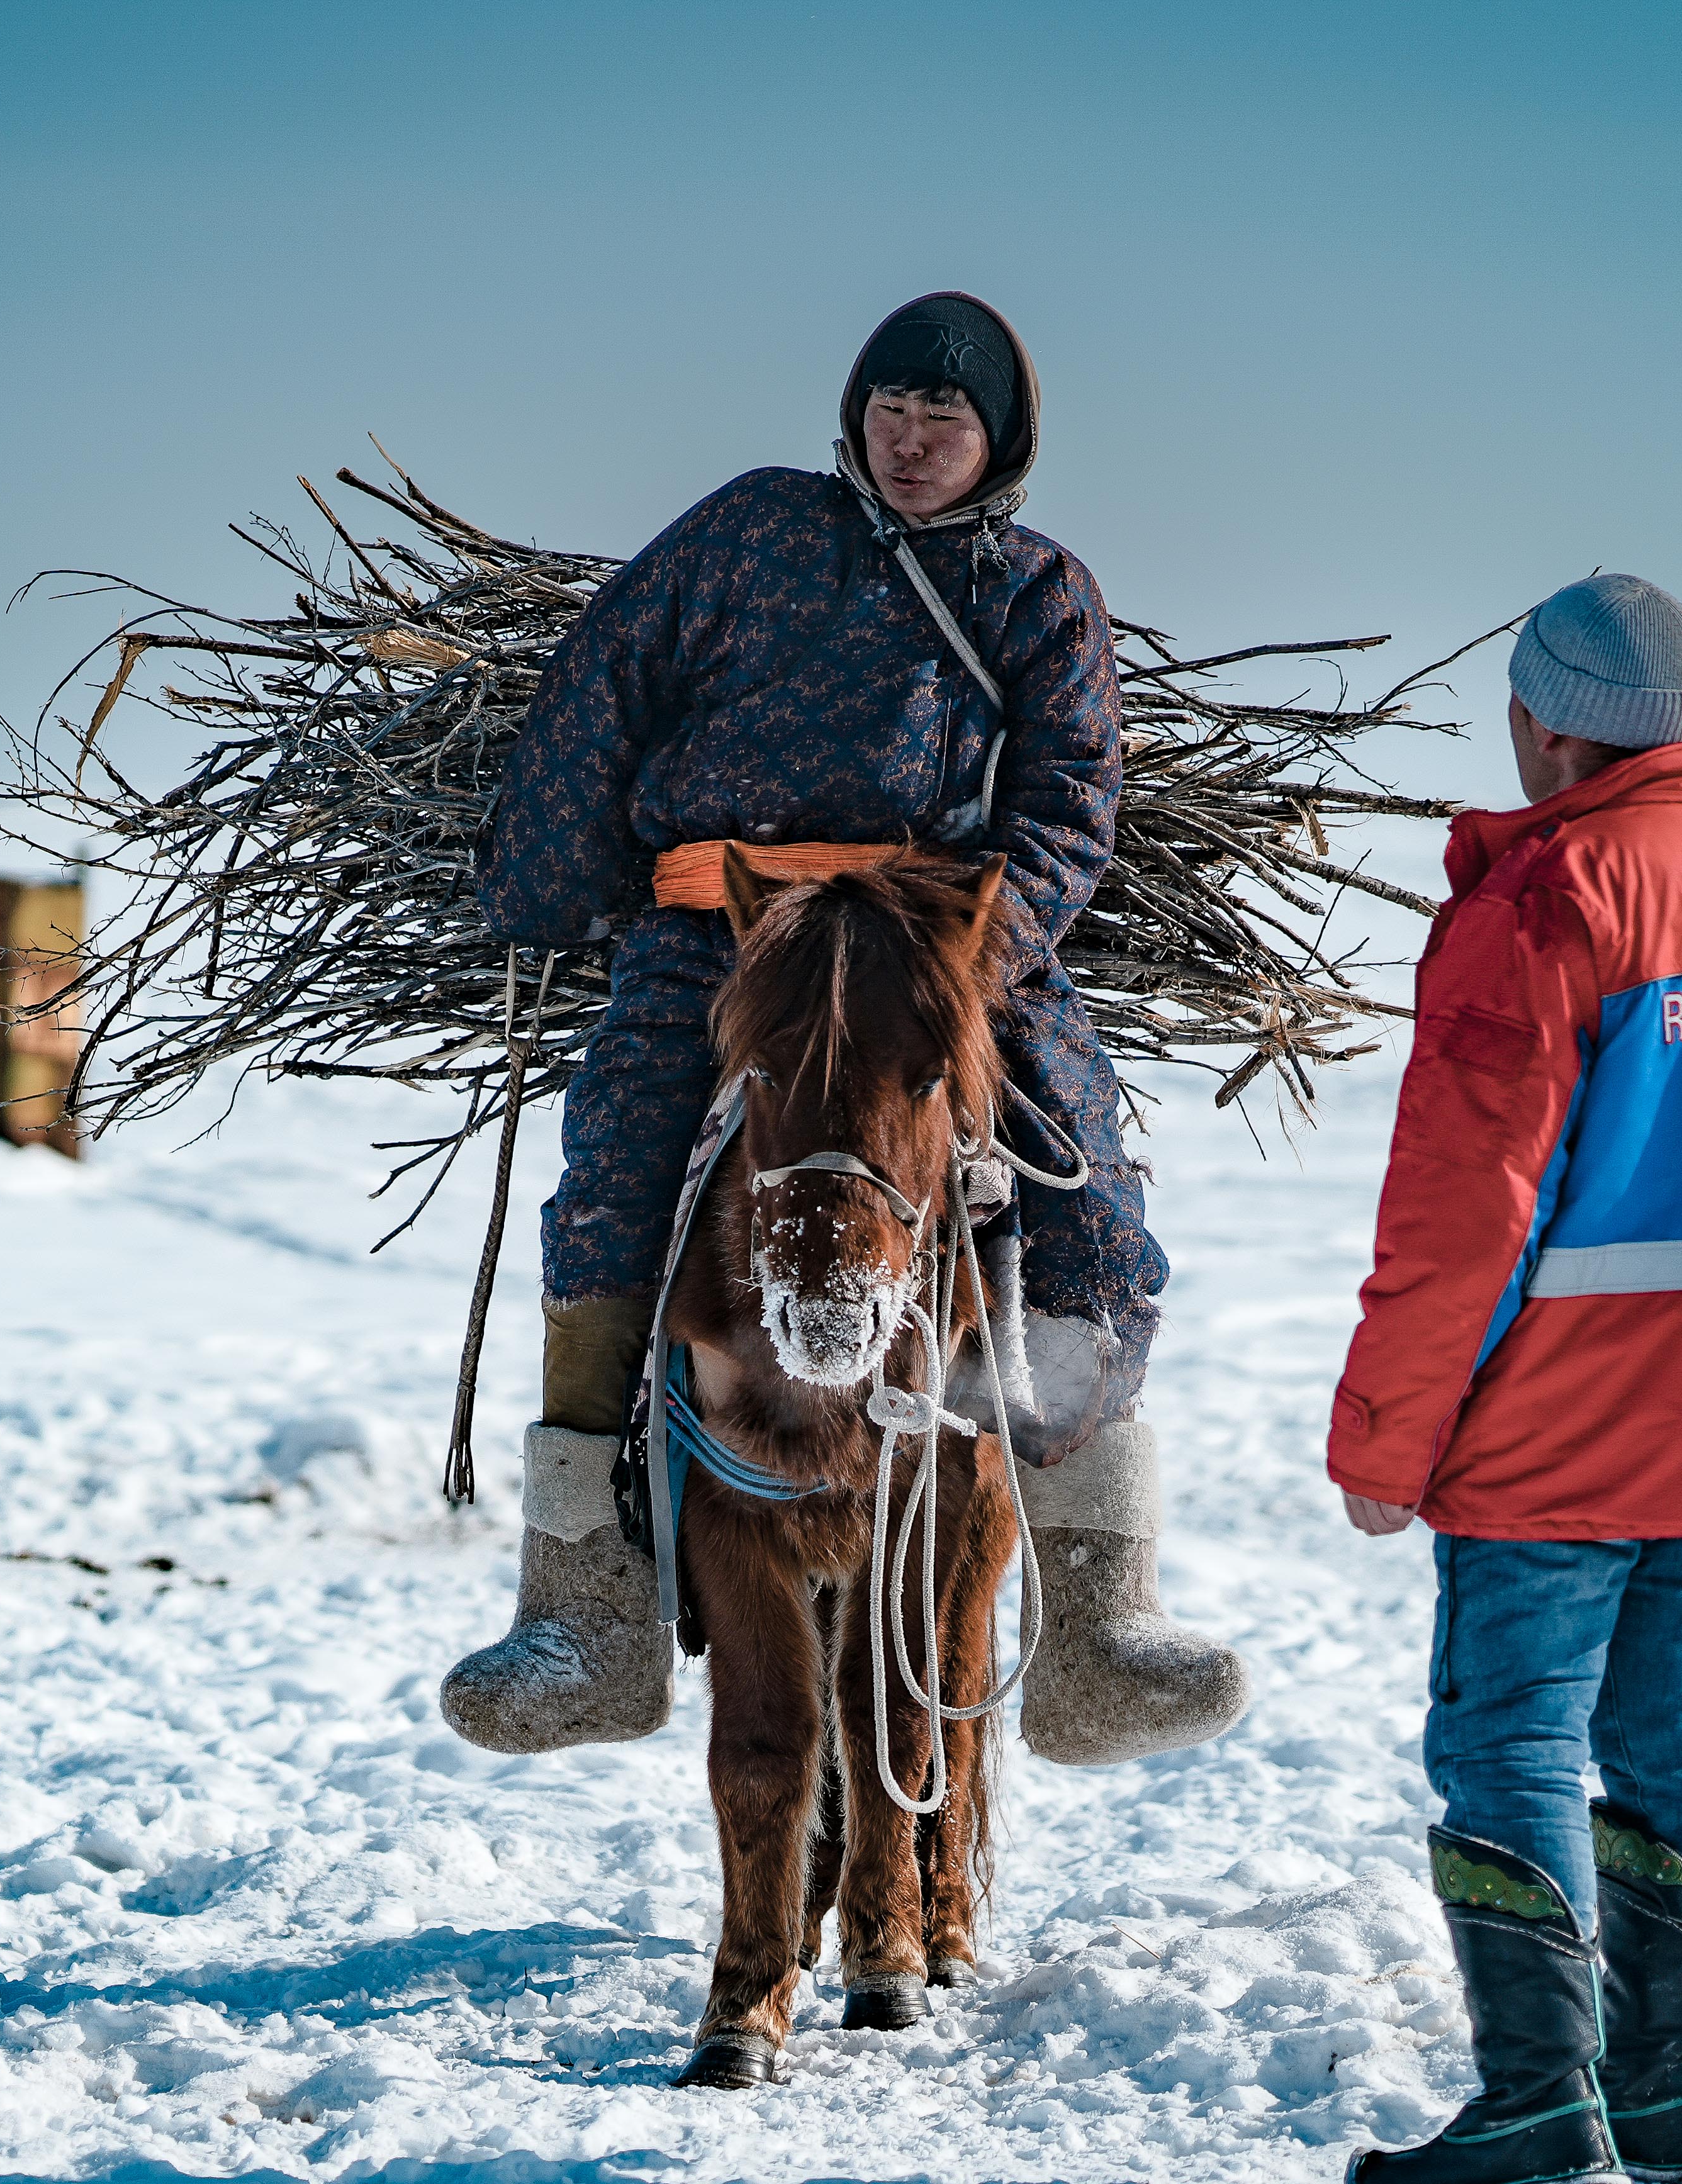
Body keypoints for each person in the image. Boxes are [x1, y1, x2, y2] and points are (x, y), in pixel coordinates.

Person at [441, 291, 1250, 1769]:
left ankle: (1097, 1615)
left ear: (1000, 440)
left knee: (1088, 1196)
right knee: (616, 1176)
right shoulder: (747, 531)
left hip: (936, 943)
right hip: (723, 926)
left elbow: (1074, 791)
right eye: (891, 408)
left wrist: (973, 959)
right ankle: (593, 1605)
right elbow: (604, 682)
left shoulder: (1038, 590)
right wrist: (543, 882)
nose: (913, 435)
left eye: (946, 418)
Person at [1326, 571, 1682, 2184]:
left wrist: (1385, 1437)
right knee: (1679, 1740)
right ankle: (1666, 2093)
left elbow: (1464, 1201)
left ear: (1546, 722)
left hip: (1555, 1412)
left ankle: (1536, 2108)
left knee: (1511, 1741)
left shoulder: (1553, 899)